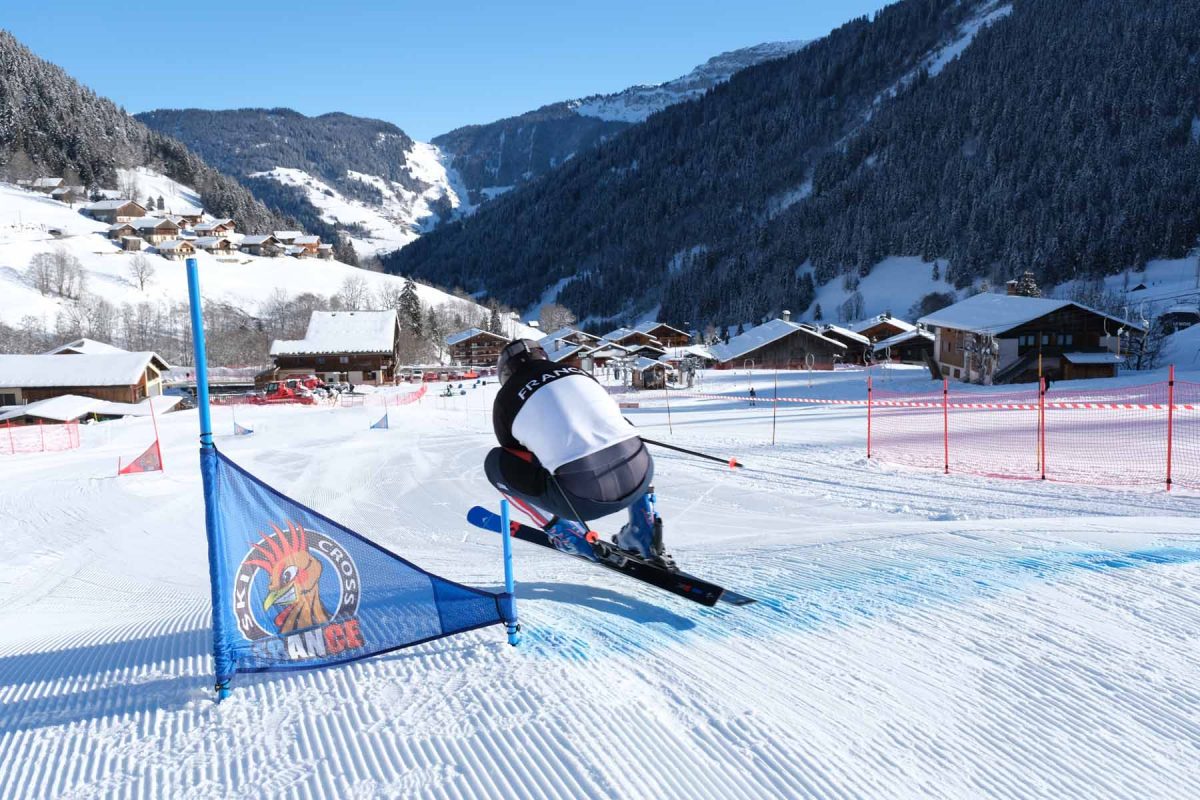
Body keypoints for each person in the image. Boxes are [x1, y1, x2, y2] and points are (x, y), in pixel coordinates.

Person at [484, 338, 665, 563]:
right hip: (641, 473)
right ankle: (643, 525)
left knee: (495, 464)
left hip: (580, 500)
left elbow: (516, 456)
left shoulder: (505, 398)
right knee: (619, 427)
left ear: (505, 373)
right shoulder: (577, 372)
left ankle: (565, 533)